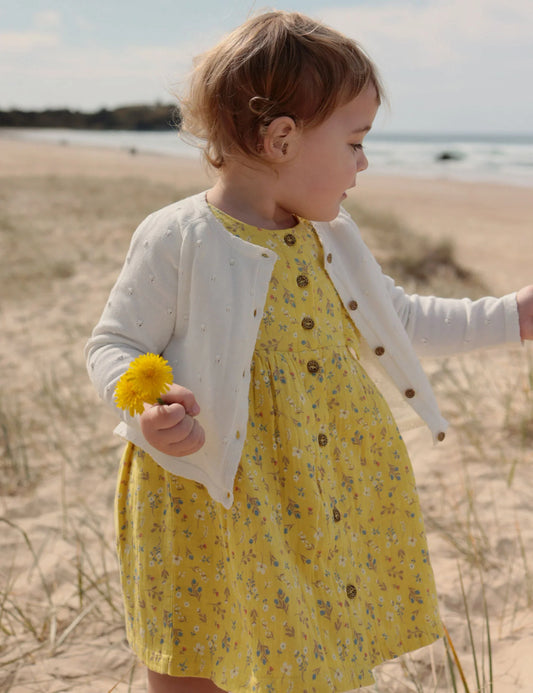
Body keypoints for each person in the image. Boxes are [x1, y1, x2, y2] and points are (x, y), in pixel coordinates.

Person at [85, 10, 533, 693]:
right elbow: (114, 342)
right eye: (354, 141)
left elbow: (402, 318)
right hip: (211, 487)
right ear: (281, 138)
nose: (363, 162)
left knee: (306, 645)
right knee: (196, 649)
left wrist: (513, 316)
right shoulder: (178, 236)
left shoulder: (334, 235)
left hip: (314, 487)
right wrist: (147, 406)